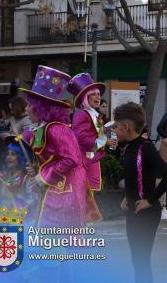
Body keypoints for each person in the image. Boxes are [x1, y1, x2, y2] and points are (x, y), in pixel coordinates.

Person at [19, 65, 87, 227]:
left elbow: (71, 159)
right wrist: (37, 170)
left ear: (39, 107)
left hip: (66, 189)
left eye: (29, 105)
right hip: (54, 188)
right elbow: (47, 157)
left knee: (61, 237)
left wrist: (43, 177)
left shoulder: (57, 129)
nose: (26, 109)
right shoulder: (41, 129)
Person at [115, 102, 167, 283]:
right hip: (133, 211)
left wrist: (150, 200)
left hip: (146, 213)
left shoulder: (145, 147)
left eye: (117, 126)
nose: (115, 130)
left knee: (141, 260)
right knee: (136, 260)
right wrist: (127, 196)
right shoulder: (128, 147)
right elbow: (133, 176)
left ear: (126, 127)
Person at [67, 73, 108, 223]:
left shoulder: (94, 115)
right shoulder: (82, 115)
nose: (98, 97)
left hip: (91, 160)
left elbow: (98, 137)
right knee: (84, 199)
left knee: (88, 199)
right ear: (86, 97)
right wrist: (104, 142)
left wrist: (107, 139)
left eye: (98, 94)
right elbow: (81, 138)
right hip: (84, 162)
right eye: (93, 95)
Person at [0, 137, 39, 223]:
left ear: (21, 157)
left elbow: (34, 200)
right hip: (3, 221)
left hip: (23, 222)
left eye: (13, 154)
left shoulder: (27, 178)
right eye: (7, 154)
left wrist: (16, 206)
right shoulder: (4, 176)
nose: (8, 157)